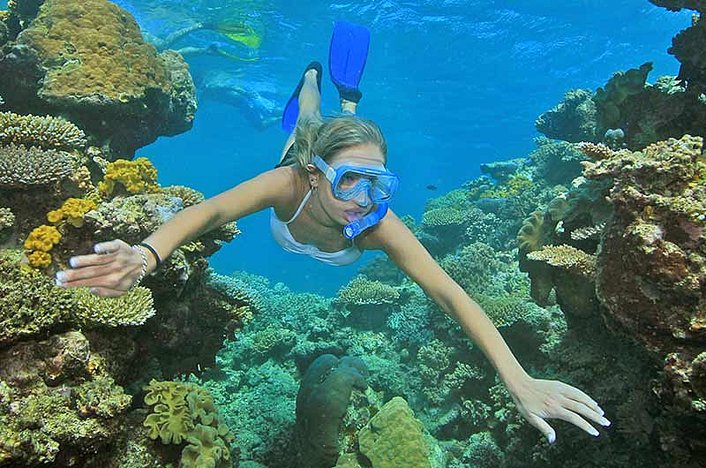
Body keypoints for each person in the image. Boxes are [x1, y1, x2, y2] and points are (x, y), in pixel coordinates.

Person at [53, 21, 611, 445]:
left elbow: (447, 292)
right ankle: (314, 79)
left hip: (323, 183)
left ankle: (351, 101)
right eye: (350, 182)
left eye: (379, 184)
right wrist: (147, 256)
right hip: (301, 167)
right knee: (305, 125)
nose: (363, 202)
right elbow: (209, 214)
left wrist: (518, 378)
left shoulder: (373, 223)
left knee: (334, 136)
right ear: (319, 177)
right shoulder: (290, 182)